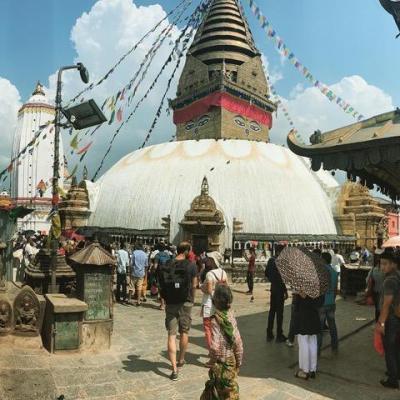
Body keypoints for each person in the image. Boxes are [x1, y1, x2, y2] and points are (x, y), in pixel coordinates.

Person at [159, 242, 197, 381]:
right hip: (185, 301)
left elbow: (161, 283)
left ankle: (174, 369)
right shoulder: (191, 265)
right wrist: (192, 299)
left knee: (171, 335)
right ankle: (181, 359)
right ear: (187, 251)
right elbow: (194, 285)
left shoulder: (168, 263)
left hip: (170, 302)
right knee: (184, 331)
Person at [200, 285, 243, 400]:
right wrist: (238, 361)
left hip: (221, 364)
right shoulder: (231, 317)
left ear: (215, 301)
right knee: (230, 392)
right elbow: (238, 342)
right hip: (231, 363)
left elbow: (214, 347)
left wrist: (213, 360)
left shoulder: (215, 320)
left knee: (218, 393)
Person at [376, 248, 400, 389]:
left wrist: (381, 323)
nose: (382, 267)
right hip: (397, 316)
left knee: (389, 348)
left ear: (393, 264)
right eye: (381, 264)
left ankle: (392, 379)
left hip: (390, 318)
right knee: (396, 346)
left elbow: (386, 304)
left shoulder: (389, 280)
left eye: (385, 264)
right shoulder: (397, 275)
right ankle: (396, 372)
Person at [200, 254, 228, 365]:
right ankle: (220, 351)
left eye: (210, 259)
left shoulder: (209, 274)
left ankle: (213, 355)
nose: (208, 261)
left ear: (213, 261)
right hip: (220, 305)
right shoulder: (223, 272)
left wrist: (202, 287)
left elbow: (209, 290)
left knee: (208, 329)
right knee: (218, 330)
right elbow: (226, 289)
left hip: (209, 304)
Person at [294, 293, 324, 380]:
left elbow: (296, 305)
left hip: (303, 317)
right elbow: (320, 303)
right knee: (313, 342)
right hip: (314, 317)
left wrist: (300, 294)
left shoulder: (302, 286)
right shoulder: (317, 287)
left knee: (303, 343)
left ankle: (305, 370)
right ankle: (313, 369)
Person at [265, 245, 288, 342]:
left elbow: (266, 273)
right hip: (279, 289)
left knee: (272, 311)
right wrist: (285, 291)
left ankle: (269, 333)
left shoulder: (271, 260)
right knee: (279, 313)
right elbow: (282, 278)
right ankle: (279, 334)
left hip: (273, 288)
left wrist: (272, 280)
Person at [318, 252, 339, 354]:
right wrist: (332, 300)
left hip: (322, 304)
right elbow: (335, 290)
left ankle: (317, 349)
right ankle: (335, 346)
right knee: (332, 325)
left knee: (319, 328)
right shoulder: (334, 272)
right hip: (331, 303)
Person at [365, 248, 385, 322]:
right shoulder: (388, 271)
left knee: (377, 310)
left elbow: (367, 280)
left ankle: (378, 325)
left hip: (376, 292)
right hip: (386, 293)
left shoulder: (374, 269)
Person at [154, 244, 172, 310]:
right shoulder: (167, 255)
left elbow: (155, 266)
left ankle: (162, 305)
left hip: (160, 273)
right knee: (166, 288)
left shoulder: (157, 255)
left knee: (160, 288)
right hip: (167, 273)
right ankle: (167, 304)